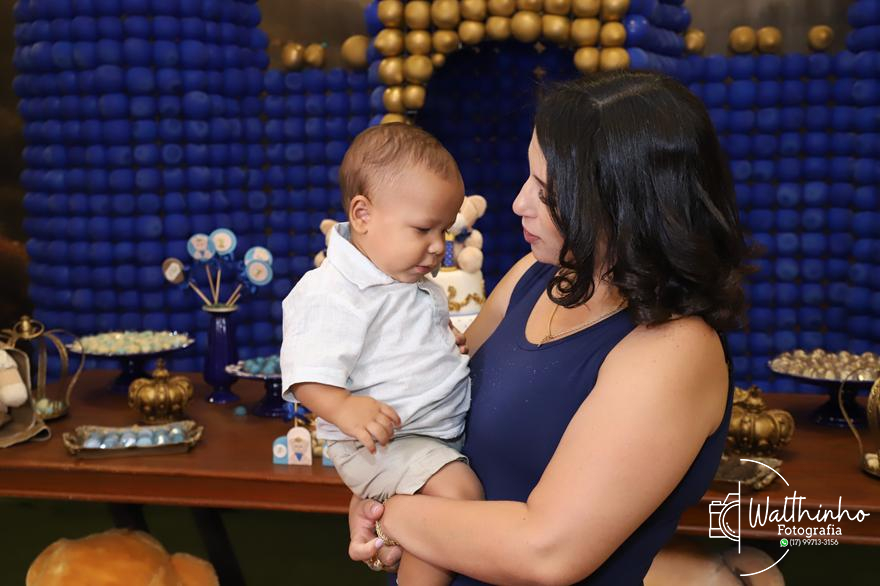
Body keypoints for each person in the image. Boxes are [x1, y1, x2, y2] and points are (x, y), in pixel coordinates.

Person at [347, 70, 753, 585]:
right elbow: (435, 407)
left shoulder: (675, 350)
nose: (519, 203)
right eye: (529, 178)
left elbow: (545, 550)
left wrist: (393, 514)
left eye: (546, 192)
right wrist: (378, 487)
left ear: (621, 203)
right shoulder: (534, 277)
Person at [280, 123, 483, 586]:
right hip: (384, 443)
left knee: (440, 509)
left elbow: (402, 336)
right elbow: (305, 372)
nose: (439, 246)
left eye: (444, 230)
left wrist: (444, 339)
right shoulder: (333, 291)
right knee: (458, 495)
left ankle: (398, 539)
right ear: (362, 214)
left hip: (425, 436)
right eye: (424, 229)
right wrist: (344, 406)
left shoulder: (406, 279)